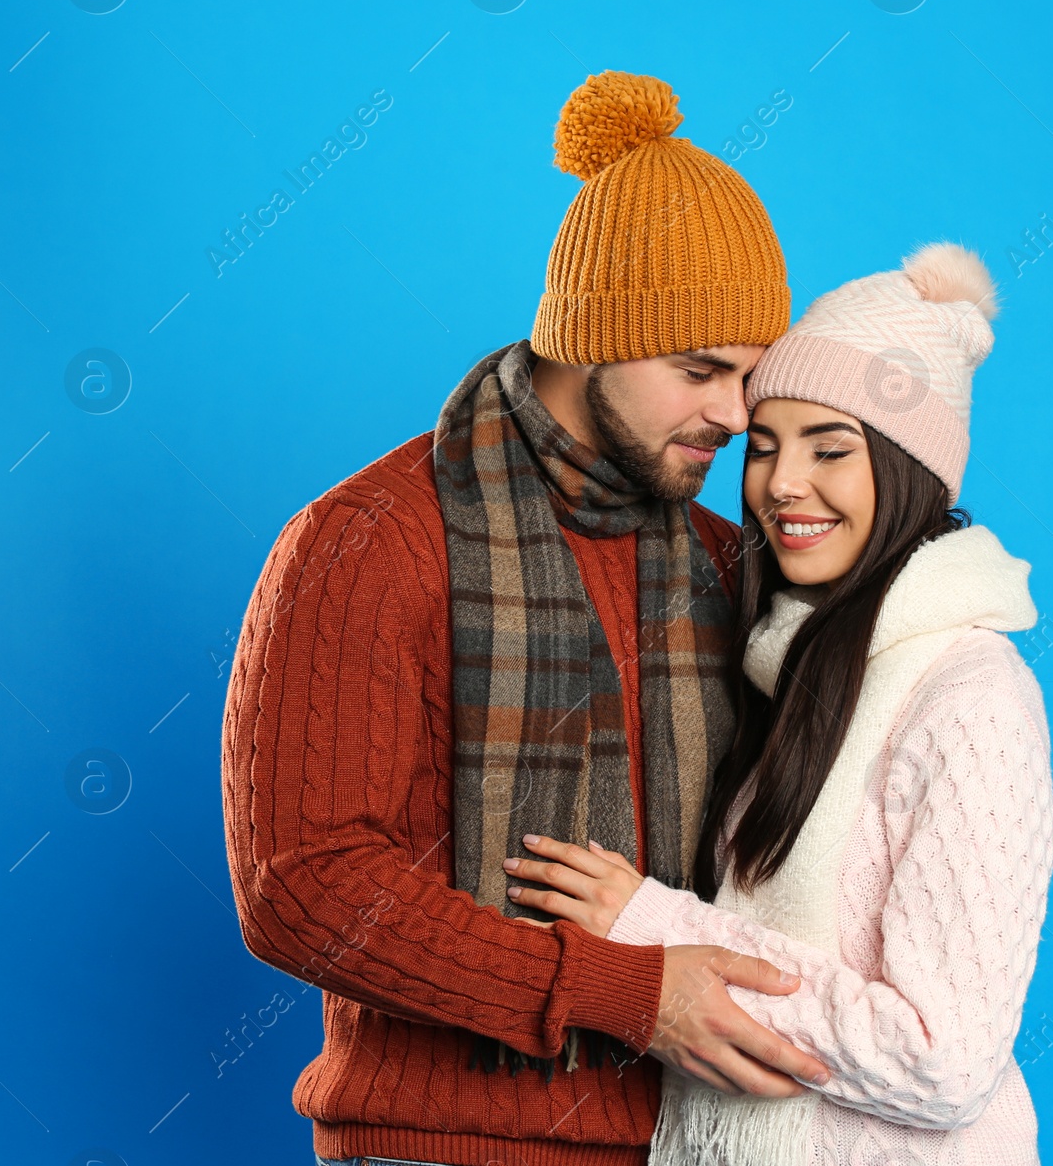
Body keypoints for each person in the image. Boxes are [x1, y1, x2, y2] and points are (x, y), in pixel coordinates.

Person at [220, 70, 833, 1166]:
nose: (736, 418)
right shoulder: (371, 542)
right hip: (444, 1144)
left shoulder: (722, 560)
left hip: (702, 1140)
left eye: (750, 378)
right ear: (594, 336)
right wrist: (627, 992)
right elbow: (304, 888)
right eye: (700, 370)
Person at [507, 242, 1053, 1164]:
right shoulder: (790, 664)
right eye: (763, 447)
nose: (783, 483)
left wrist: (653, 927)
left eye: (829, 449)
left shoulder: (971, 694)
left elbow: (945, 1060)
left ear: (913, 468)